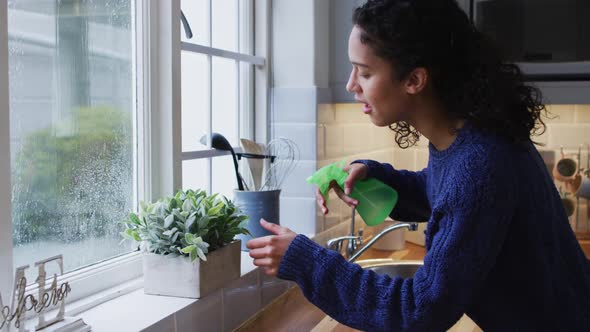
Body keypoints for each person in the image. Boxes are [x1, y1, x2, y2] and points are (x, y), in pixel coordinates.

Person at [246, 0, 590, 330]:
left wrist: (306, 262)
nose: (352, 84)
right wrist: (374, 176)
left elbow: (418, 311)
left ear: (414, 80)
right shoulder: (471, 137)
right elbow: (441, 192)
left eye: (364, 72)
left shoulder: (481, 163)